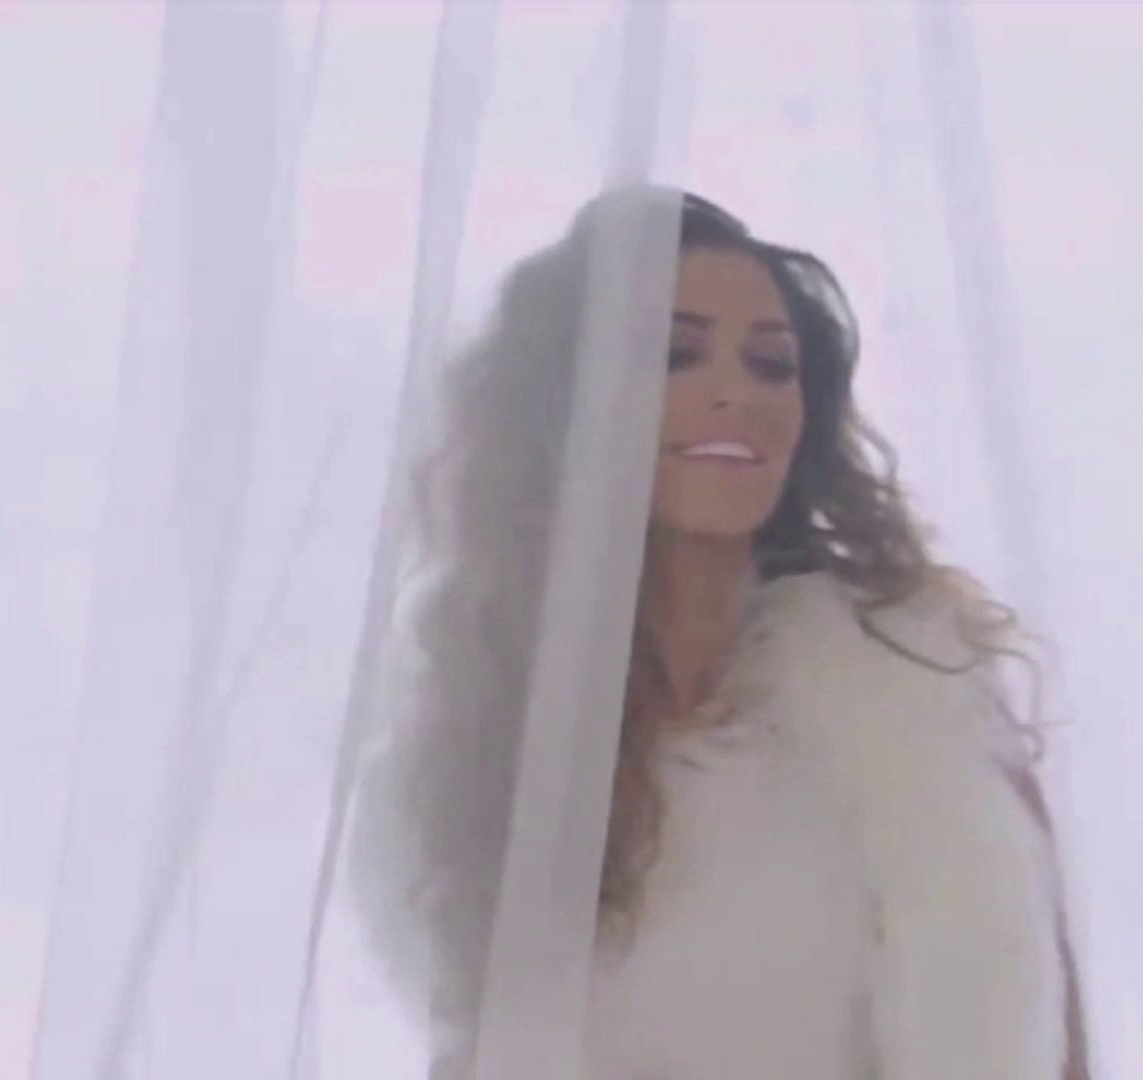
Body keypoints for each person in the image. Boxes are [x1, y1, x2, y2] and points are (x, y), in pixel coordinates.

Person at [347, 190, 1088, 1079]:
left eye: (772, 364)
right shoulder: (472, 756)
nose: (736, 394)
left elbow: (1040, 1038)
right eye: (676, 355)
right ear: (571, 401)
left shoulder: (920, 700)